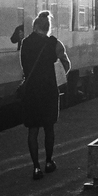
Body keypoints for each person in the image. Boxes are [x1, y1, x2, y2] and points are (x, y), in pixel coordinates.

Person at [20, 11, 70, 180]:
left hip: (31, 92)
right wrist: (56, 76)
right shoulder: (55, 43)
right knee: (49, 128)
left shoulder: (25, 43)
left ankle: (36, 168)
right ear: (48, 27)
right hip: (49, 91)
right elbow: (66, 65)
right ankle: (49, 162)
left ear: (35, 26)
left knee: (33, 131)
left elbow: (25, 67)